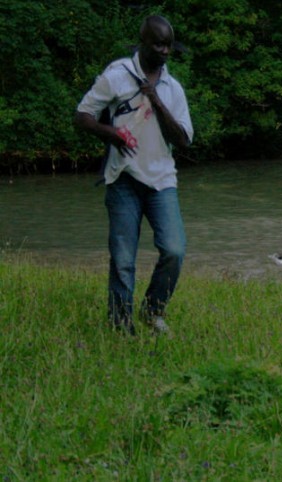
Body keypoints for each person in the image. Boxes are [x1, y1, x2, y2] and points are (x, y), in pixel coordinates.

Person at [74, 15, 193, 335]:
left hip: (162, 181)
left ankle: (153, 310)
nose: (165, 51)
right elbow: (82, 116)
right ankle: (120, 325)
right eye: (158, 44)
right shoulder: (116, 76)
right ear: (142, 42)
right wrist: (110, 133)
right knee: (123, 258)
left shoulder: (173, 88)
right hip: (123, 178)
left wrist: (155, 99)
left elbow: (182, 140)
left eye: (169, 45)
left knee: (174, 250)